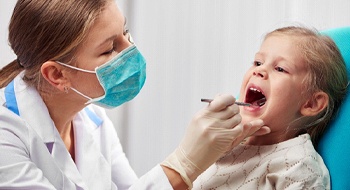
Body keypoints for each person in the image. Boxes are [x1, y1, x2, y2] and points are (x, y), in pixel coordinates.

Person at [0, 0, 271, 189]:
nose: (130, 50)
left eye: (125, 32)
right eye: (109, 49)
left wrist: (205, 161)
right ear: (57, 74)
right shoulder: (5, 136)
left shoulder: (92, 119)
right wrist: (184, 164)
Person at [193, 26, 348, 189]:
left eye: (280, 68)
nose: (259, 70)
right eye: (257, 62)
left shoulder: (296, 167)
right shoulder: (223, 144)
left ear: (311, 104)